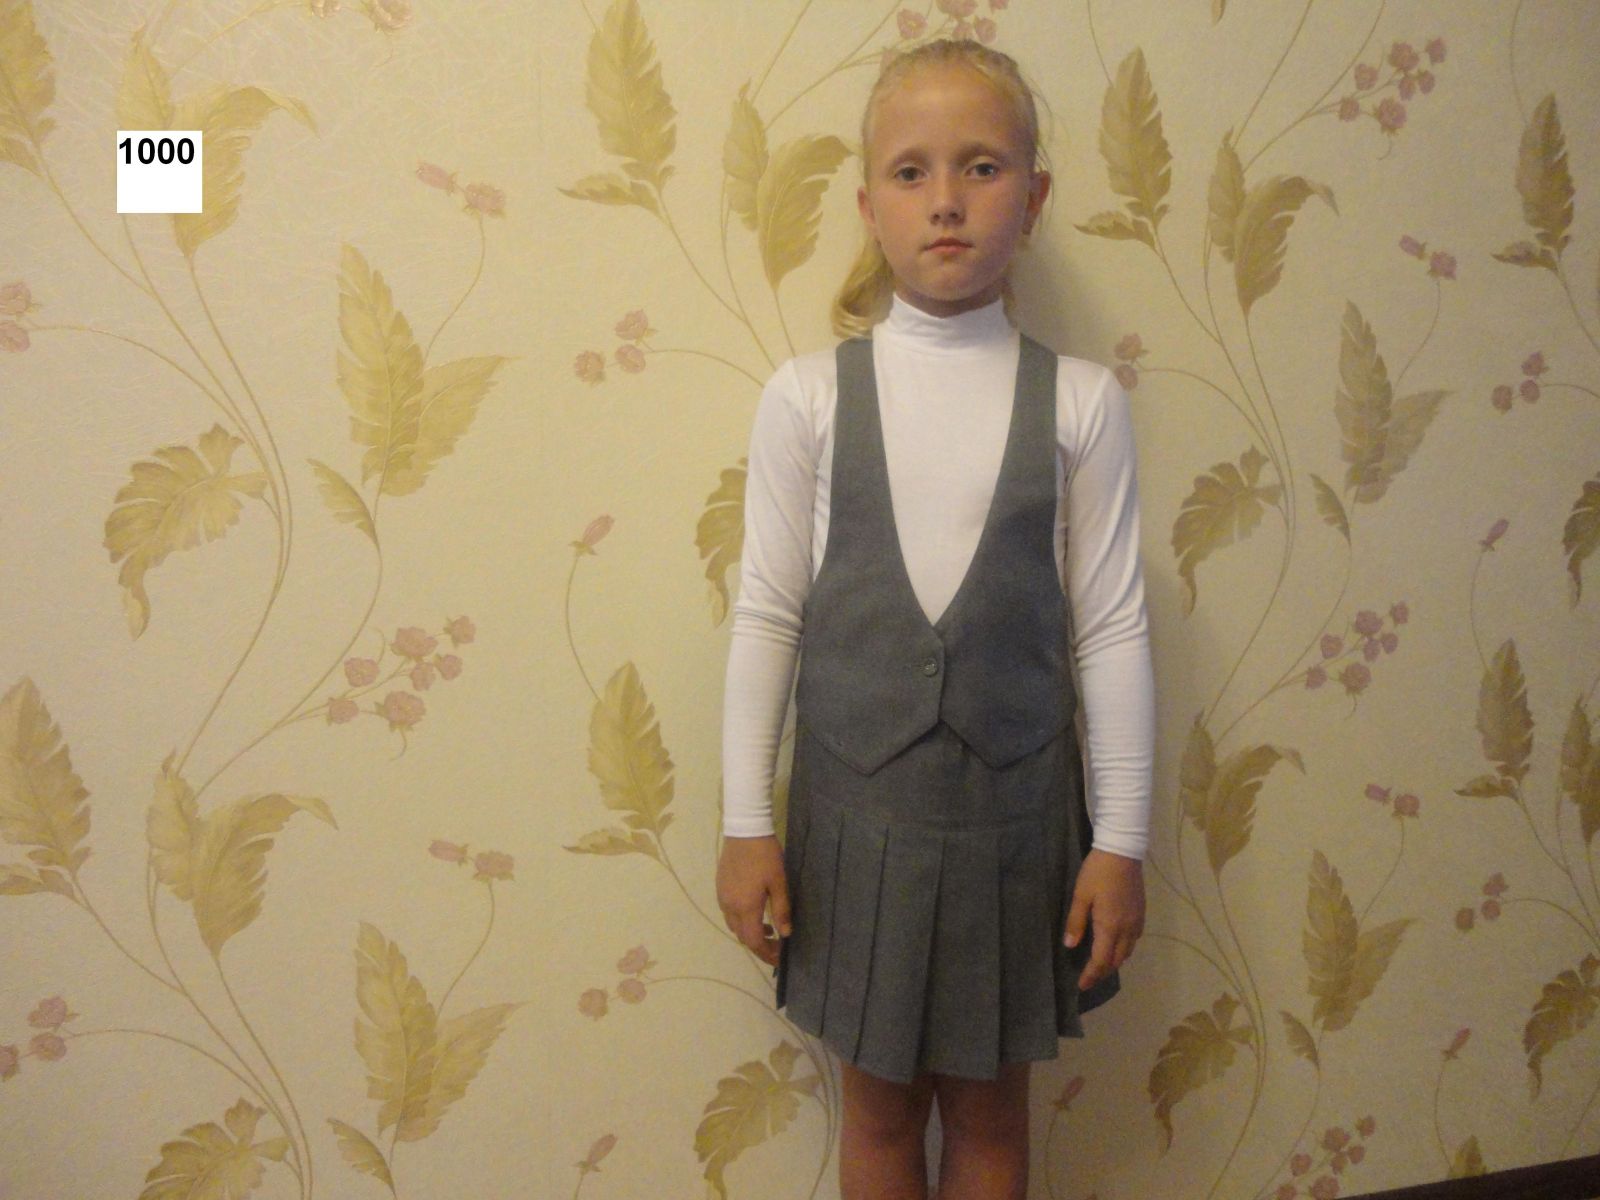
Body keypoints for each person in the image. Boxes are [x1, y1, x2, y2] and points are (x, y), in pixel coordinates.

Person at [715, 38, 1153, 1200]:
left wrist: (1121, 841)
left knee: (992, 1115)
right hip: (855, 818)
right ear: (868, 207)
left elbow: (1111, 629)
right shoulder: (807, 397)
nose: (946, 199)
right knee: (875, 1115)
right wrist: (745, 822)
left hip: (1016, 824)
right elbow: (767, 612)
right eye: (910, 172)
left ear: (1034, 197)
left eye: (981, 167)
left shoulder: (1081, 403)